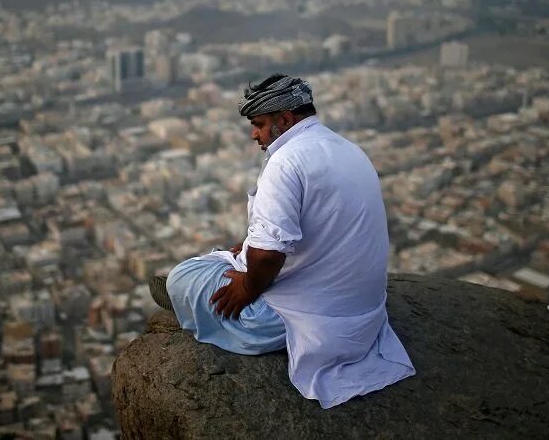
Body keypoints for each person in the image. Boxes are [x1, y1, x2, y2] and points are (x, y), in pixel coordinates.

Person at [150, 74, 415, 409]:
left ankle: (191, 301)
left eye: (259, 124)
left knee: (184, 276)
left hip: (311, 325)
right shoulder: (348, 149)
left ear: (285, 119)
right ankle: (227, 266)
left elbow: (268, 257)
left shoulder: (287, 162)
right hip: (363, 316)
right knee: (236, 254)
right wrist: (251, 248)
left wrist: (247, 287)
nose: (254, 134)